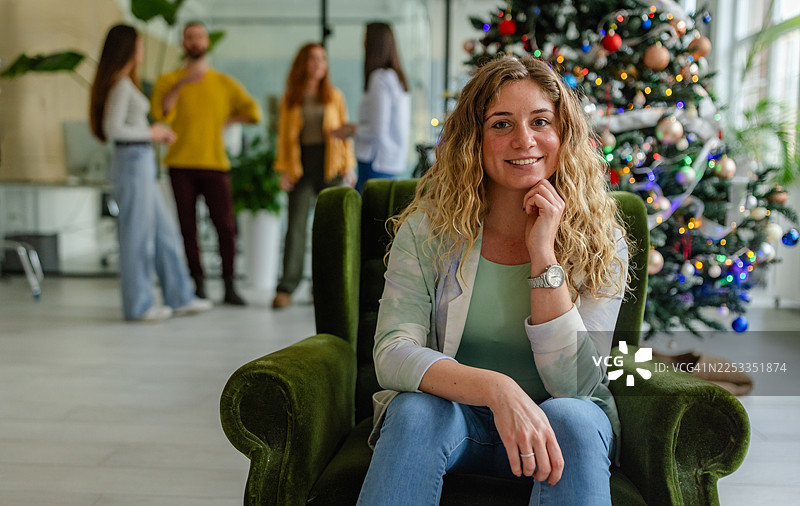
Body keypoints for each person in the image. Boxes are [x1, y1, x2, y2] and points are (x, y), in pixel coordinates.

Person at [357, 55, 632, 506]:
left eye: (541, 121)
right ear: (474, 139)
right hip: (457, 420)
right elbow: (392, 353)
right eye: (501, 124)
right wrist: (498, 390)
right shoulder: (429, 229)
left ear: (563, 134)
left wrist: (544, 254)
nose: (524, 139)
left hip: (557, 427)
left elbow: (578, 383)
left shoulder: (603, 238)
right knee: (414, 411)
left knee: (574, 417)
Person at [89, 24, 213, 322]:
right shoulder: (120, 84)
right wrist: (152, 132)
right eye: (140, 45)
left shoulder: (125, 83)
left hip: (141, 161)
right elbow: (113, 129)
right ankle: (139, 305)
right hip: (132, 161)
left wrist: (153, 134)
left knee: (165, 232)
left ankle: (180, 296)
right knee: (137, 236)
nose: (143, 50)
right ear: (129, 48)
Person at [150, 21, 262, 306]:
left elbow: (254, 113)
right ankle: (197, 284)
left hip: (215, 164)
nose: (195, 42)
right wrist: (183, 83)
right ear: (183, 43)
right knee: (188, 228)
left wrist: (230, 120)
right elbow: (161, 114)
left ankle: (229, 284)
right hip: (180, 164)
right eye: (189, 37)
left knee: (225, 226)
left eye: (199, 37)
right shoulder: (168, 81)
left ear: (206, 42)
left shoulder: (223, 83)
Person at [271, 43, 356, 309]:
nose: (319, 63)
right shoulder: (291, 97)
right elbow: (284, 137)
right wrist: (284, 169)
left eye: (323, 59)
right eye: (313, 59)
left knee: (328, 229)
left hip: (329, 164)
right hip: (301, 165)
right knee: (295, 227)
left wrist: (348, 166)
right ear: (303, 63)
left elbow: (343, 134)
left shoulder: (334, 96)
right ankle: (287, 287)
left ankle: (322, 289)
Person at [332, 22, 410, 192]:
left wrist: (350, 130)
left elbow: (377, 131)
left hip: (375, 161)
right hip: (389, 162)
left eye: (366, 39)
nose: (363, 44)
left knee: (369, 216)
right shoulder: (396, 78)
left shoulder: (380, 79)